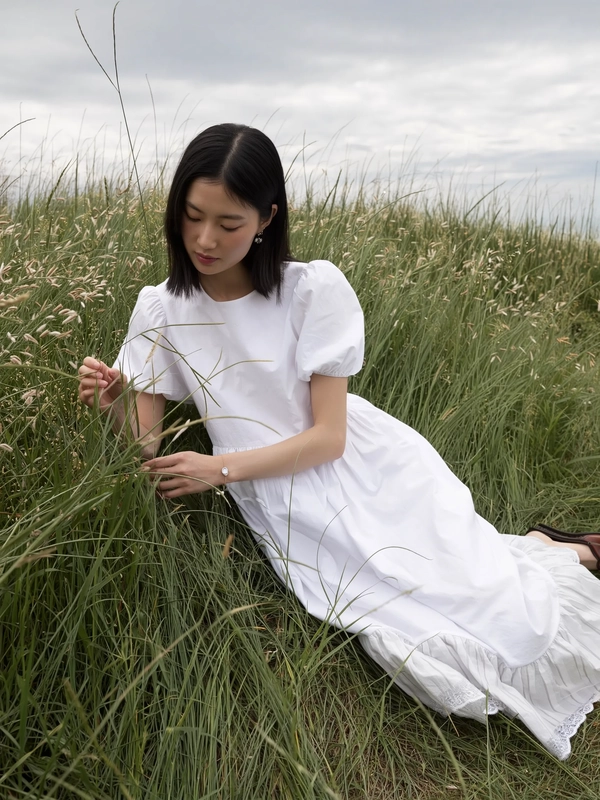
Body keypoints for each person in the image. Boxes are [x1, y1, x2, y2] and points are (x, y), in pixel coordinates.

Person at [78, 123, 600, 760]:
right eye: (191, 216)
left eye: (229, 222)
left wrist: (219, 470)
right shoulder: (159, 308)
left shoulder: (310, 291)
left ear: (267, 219)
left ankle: (559, 551)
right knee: (410, 628)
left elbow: (328, 437)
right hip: (281, 502)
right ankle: (551, 545)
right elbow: (148, 449)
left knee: (493, 606)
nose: (206, 239)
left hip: (362, 469)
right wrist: (115, 406)